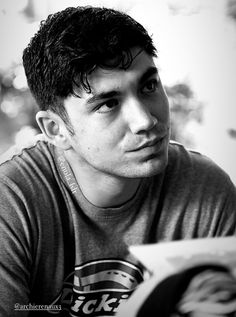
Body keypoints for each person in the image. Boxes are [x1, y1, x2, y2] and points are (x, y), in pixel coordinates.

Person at [0, 5, 236, 317]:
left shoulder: (206, 189)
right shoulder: (12, 200)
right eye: (109, 103)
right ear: (55, 129)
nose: (145, 121)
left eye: (149, 86)